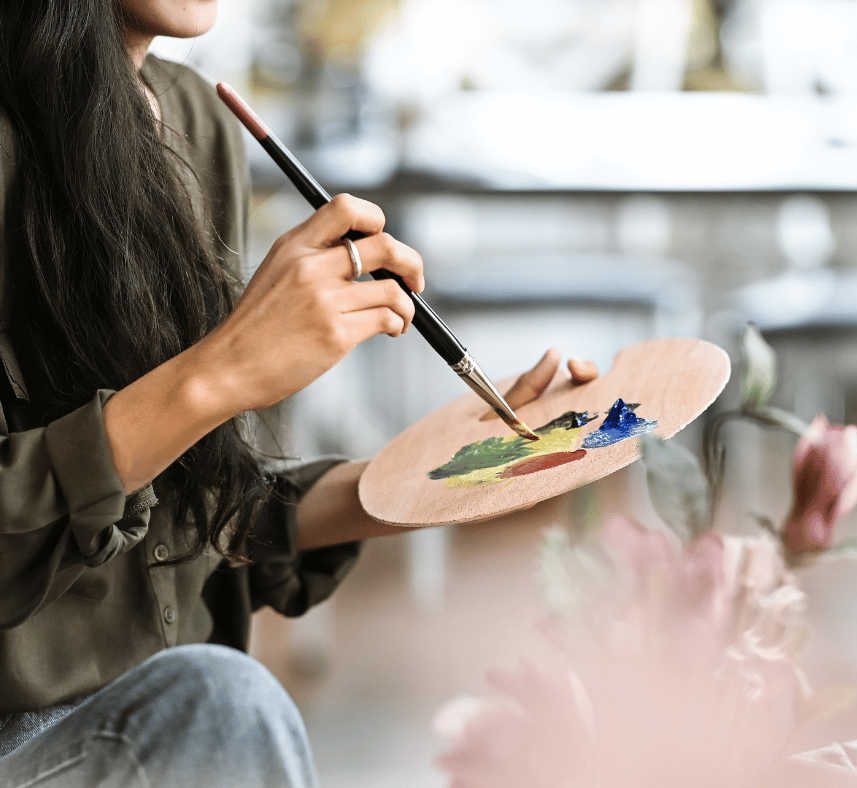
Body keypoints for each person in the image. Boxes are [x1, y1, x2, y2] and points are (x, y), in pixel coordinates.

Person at [0, 1, 597, 786]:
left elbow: (191, 526)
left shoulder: (192, 122)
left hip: (160, 716)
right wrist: (220, 372)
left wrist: (446, 473)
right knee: (226, 703)